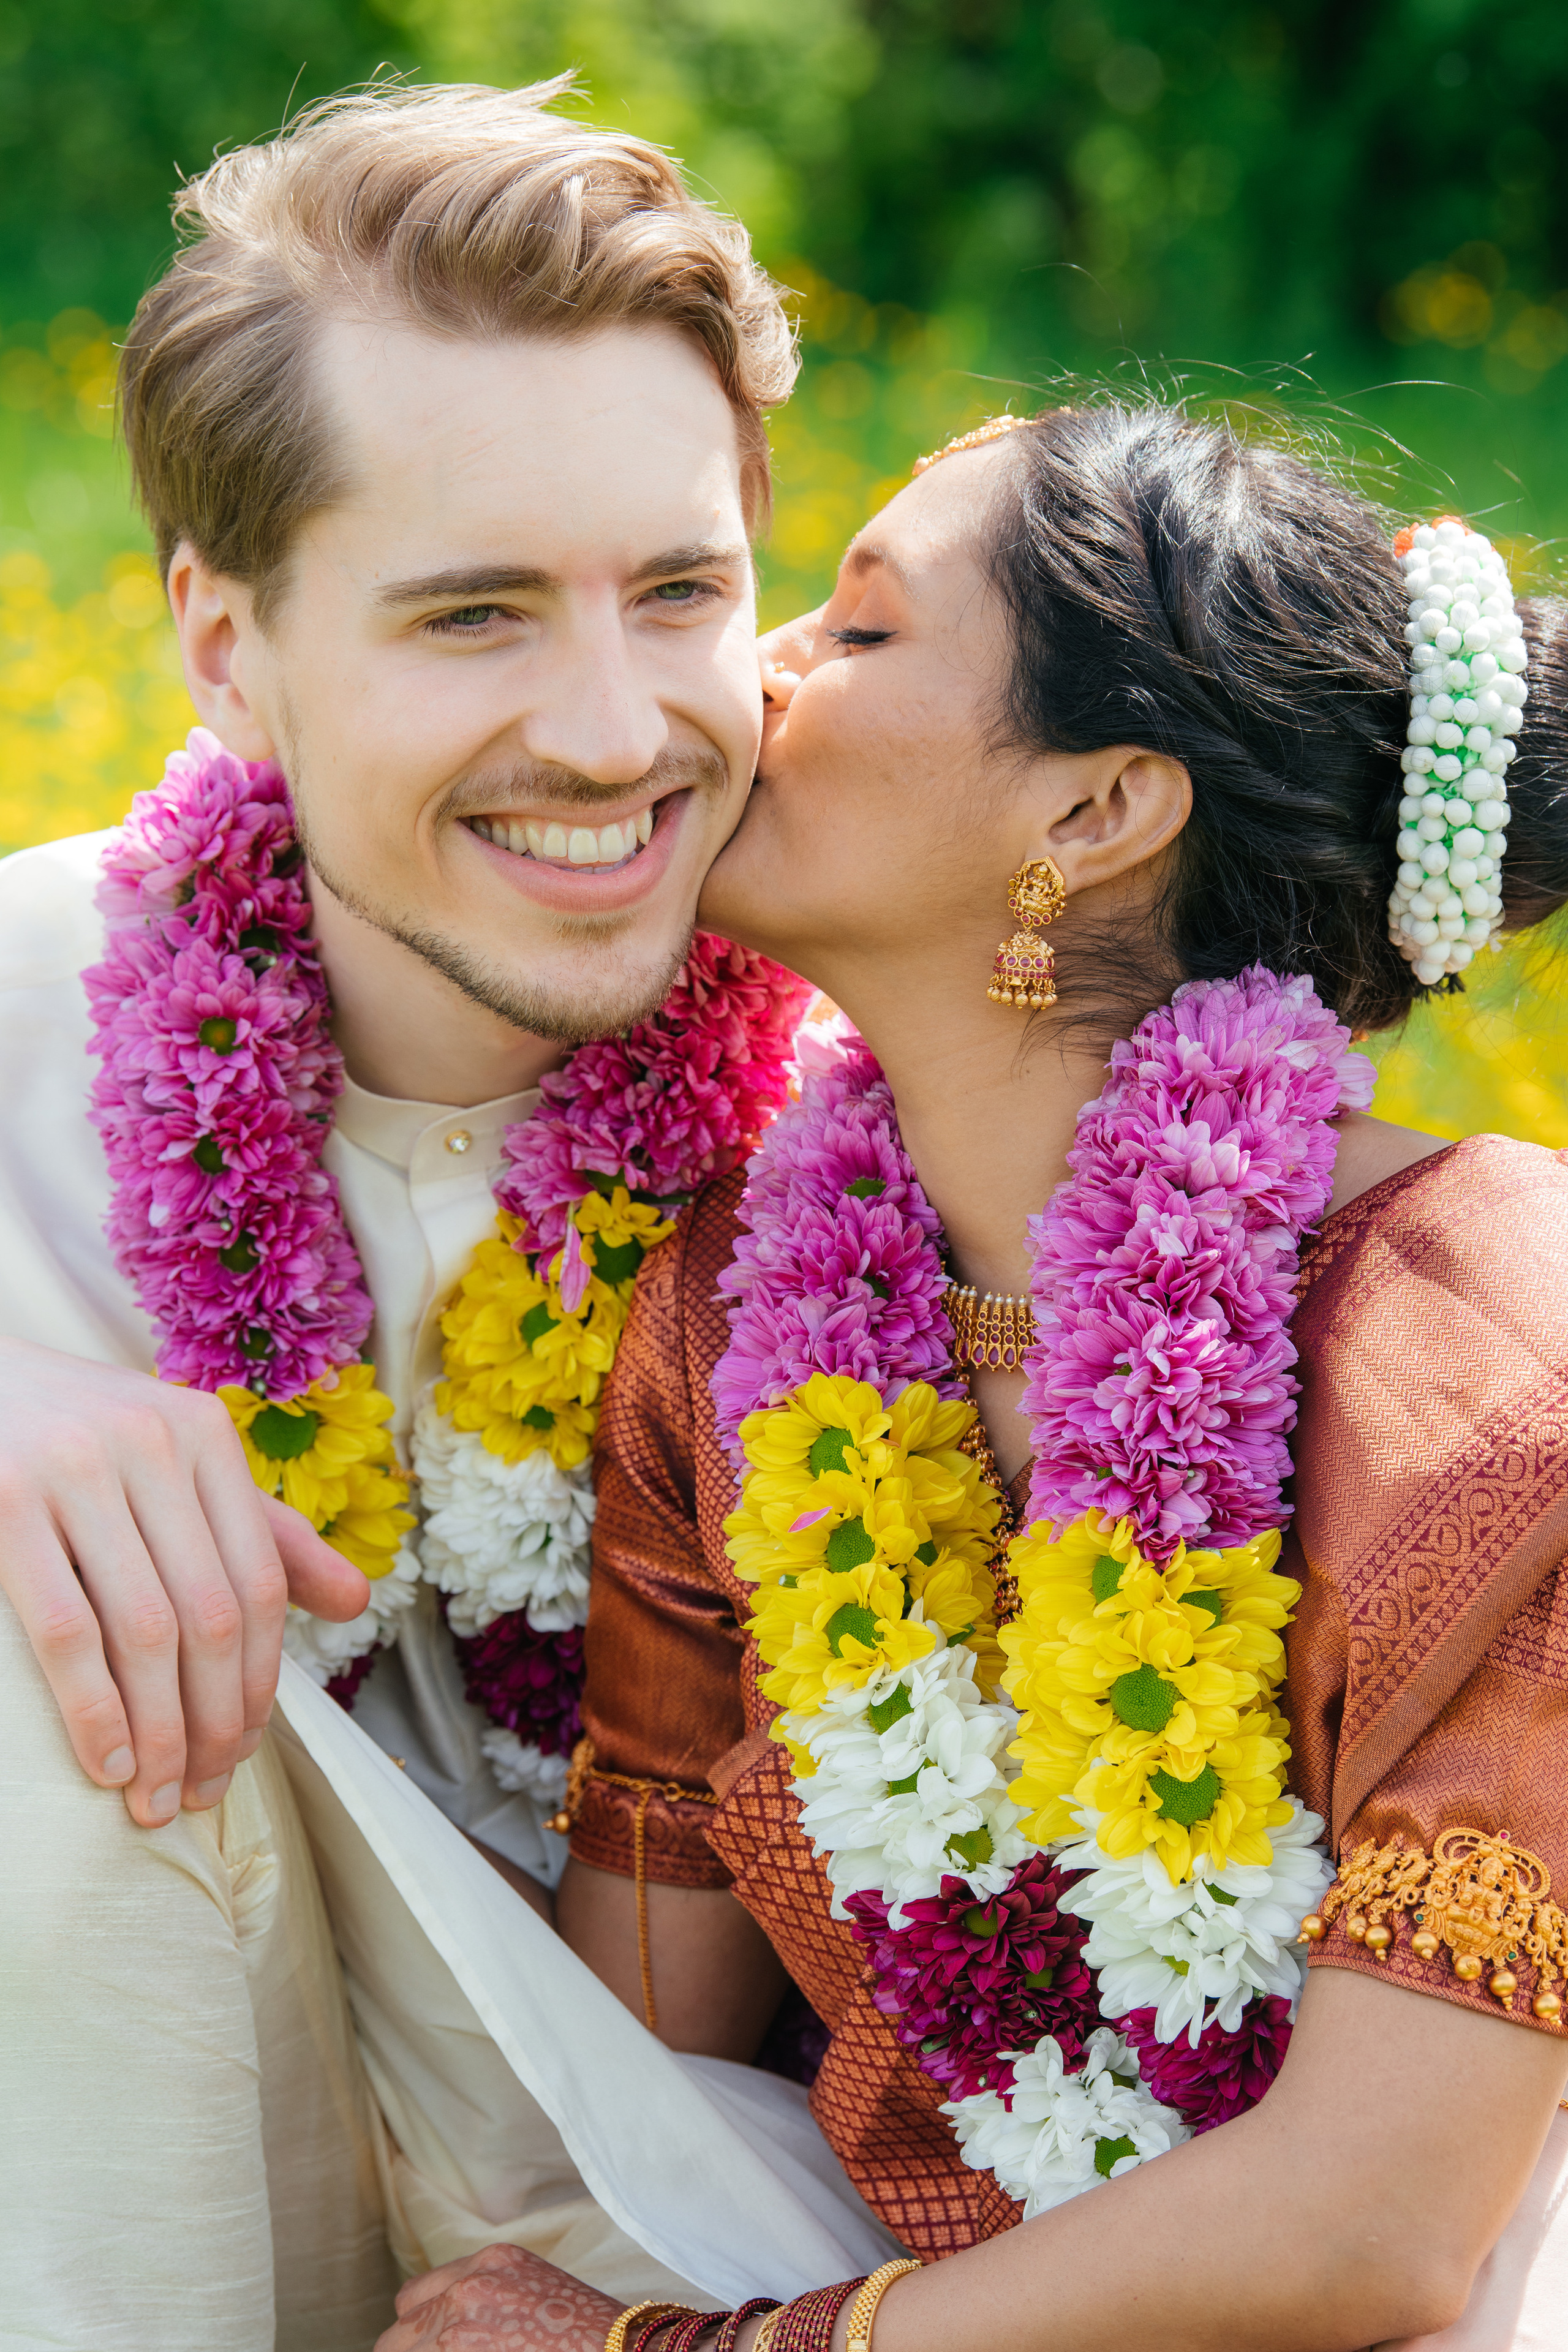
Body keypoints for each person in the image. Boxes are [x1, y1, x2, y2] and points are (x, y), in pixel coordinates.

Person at [385, 406, 1568, 2351]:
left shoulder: (1484, 1356)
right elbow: (637, 2059)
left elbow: (1376, 2228)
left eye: (852, 633)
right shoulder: (726, 1317)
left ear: (1094, 815)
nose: (742, 675)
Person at [0, 74, 817, 2351]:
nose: (611, 730)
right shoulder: (24, 999)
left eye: (678, 590)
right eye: (471, 615)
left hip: (717, 2235)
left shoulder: (892, 1100)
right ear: (224, 646)